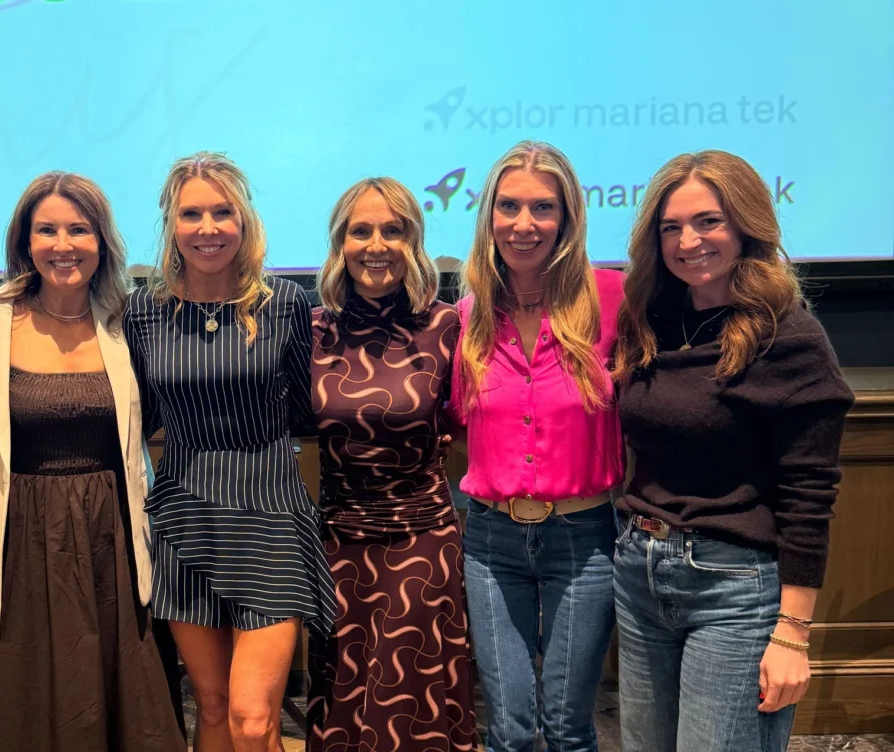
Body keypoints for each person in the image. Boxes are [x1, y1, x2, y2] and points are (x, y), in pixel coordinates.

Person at [611, 150, 855, 752]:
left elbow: (808, 496)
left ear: (746, 225)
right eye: (672, 227)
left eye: (708, 222)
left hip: (734, 587)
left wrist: (793, 633)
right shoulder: (652, 319)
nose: (689, 241)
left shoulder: (787, 335)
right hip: (640, 570)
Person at [0, 171, 184, 752]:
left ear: (102, 241)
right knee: (25, 693)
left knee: (126, 696)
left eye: (79, 229)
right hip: (20, 536)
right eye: (47, 230)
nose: (63, 244)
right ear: (24, 242)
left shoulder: (128, 320)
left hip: (111, 532)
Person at [124, 151, 335, 752]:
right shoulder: (144, 312)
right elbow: (139, 414)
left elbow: (305, 407)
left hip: (270, 518)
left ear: (245, 222)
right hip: (183, 519)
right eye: (192, 214)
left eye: (223, 212)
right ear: (172, 223)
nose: (208, 228)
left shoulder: (285, 305)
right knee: (212, 706)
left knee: (250, 715)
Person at [450, 140, 625, 752]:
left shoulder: (611, 301)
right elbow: (453, 419)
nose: (524, 224)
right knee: (510, 728)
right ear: (489, 216)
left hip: (584, 541)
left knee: (569, 724)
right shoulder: (468, 316)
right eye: (509, 206)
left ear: (568, 219)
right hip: (492, 542)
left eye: (543, 208)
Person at [306, 177, 477, 752]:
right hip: (338, 545)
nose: (376, 244)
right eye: (361, 230)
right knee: (346, 706)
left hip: (420, 541)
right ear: (340, 244)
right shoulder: (313, 331)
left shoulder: (448, 325)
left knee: (409, 705)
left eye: (393, 229)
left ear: (414, 240)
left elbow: (469, 425)